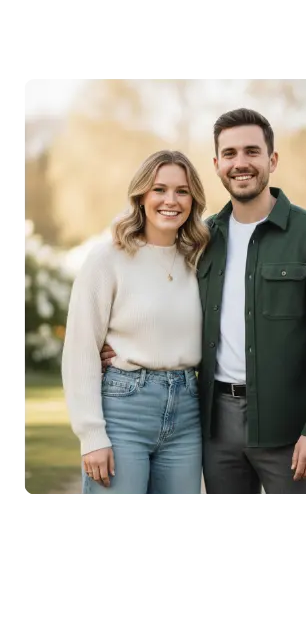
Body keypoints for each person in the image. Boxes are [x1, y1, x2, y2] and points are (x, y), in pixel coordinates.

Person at [103, 108, 306, 501]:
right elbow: (166, 301)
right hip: (216, 427)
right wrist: (124, 347)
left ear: (272, 160)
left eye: (252, 151)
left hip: (288, 427)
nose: (241, 163)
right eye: (230, 153)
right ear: (217, 164)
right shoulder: (202, 240)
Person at [64, 150, 211, 499]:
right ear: (141, 196)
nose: (171, 200)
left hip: (187, 412)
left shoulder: (200, 260)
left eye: (182, 191)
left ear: (193, 200)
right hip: (123, 411)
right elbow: (81, 349)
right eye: (159, 189)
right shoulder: (107, 259)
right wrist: (91, 436)